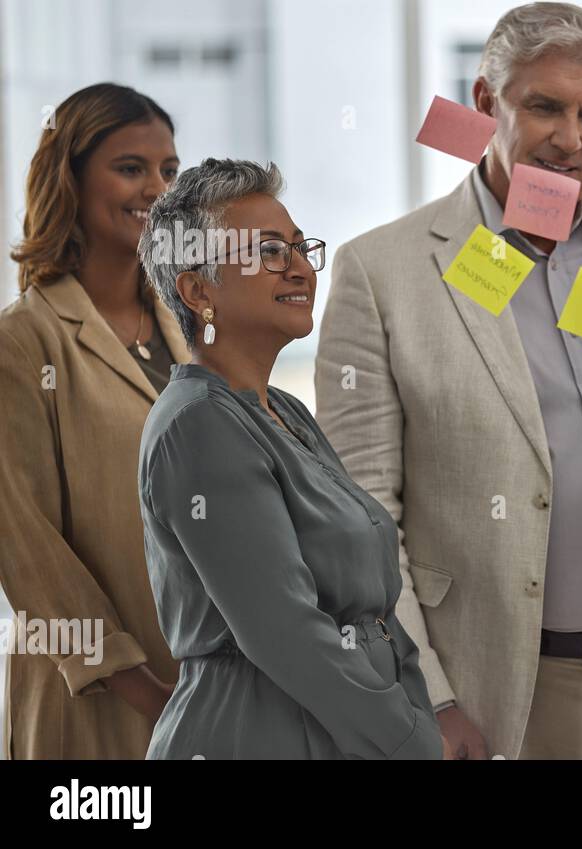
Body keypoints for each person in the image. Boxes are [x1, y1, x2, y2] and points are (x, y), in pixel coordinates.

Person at [315, 1, 582, 760]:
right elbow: (363, 520)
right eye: (544, 107)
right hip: (509, 694)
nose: (570, 140)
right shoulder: (381, 272)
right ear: (485, 103)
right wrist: (431, 697)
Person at [136, 158, 441, 759]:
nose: (300, 268)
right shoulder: (200, 425)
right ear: (199, 290)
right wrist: (409, 741)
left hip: (342, 729)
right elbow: (288, 635)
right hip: (258, 732)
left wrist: (416, 712)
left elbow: (373, 607)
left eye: (303, 249)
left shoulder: (281, 411)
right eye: (271, 251)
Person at [0, 83, 183, 759]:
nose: (157, 189)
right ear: (70, 181)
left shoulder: (190, 330)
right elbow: (27, 547)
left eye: (169, 169)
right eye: (131, 168)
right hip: (100, 700)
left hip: (203, 686)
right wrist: (148, 690)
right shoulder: (24, 342)